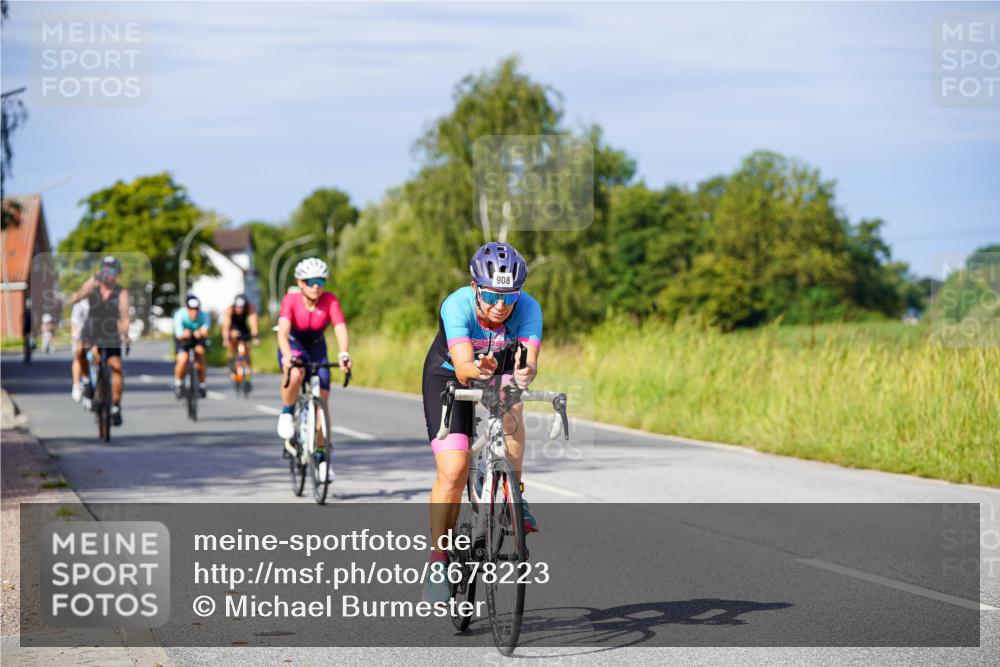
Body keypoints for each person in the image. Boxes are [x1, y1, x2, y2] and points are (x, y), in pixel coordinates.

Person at [421, 242, 542, 603]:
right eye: (491, 295)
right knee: (454, 471)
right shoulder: (456, 305)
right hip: (449, 374)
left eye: (510, 296)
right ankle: (439, 559)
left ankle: (515, 494)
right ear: (476, 288)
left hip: (498, 370)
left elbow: (529, 362)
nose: (501, 305)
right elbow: (462, 367)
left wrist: (523, 372)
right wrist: (477, 369)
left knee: (513, 412)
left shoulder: (528, 308)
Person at [276, 258, 352, 482]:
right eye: (310, 281)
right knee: (296, 373)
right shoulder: (290, 300)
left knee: (322, 400)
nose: (316, 286)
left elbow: (340, 327)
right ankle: (287, 411)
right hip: (294, 344)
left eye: (320, 281)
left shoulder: (329, 300)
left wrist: (344, 352)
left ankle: (321, 457)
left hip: (317, 346)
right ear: (300, 282)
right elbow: (282, 333)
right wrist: (287, 355)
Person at [68, 256, 131, 426]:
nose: (108, 274)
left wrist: (125, 332)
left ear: (117, 274)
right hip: (92, 327)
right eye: (105, 270)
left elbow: (125, 316)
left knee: (116, 366)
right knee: (80, 351)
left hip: (111, 330)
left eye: (112, 271)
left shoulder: (121, 292)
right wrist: (88, 286)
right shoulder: (93, 286)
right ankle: (87, 380)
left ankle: (116, 406)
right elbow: (74, 299)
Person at [173, 294, 211, 398]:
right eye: (191, 309)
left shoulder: (204, 315)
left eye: (196, 309)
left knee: (200, 353)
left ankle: (202, 384)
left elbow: (205, 329)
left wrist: (201, 332)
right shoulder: (180, 315)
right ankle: (178, 383)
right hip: (183, 338)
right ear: (187, 308)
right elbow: (178, 334)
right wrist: (185, 333)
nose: (194, 312)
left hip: (197, 338)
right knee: (183, 359)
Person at [220, 293, 259, 387]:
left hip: (243, 329)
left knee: (246, 349)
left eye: (241, 307)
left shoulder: (250, 308)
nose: (239, 309)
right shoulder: (230, 310)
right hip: (232, 327)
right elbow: (226, 326)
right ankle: (230, 361)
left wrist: (255, 336)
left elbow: (253, 323)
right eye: (238, 307)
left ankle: (248, 376)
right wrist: (226, 338)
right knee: (232, 342)